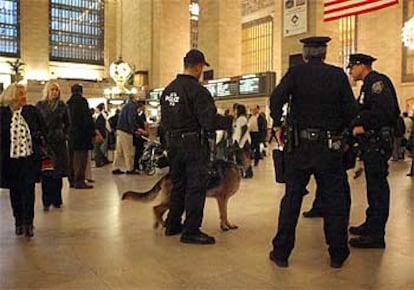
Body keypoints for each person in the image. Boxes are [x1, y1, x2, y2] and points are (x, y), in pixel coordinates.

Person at [269, 36, 358, 268]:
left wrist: (277, 122)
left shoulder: (296, 73)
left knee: (292, 199)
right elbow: (351, 110)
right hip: (329, 149)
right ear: (325, 54)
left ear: (306, 54)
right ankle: (337, 254)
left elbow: (276, 97)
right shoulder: (338, 75)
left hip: (299, 149)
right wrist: (347, 136)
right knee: (335, 201)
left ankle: (281, 253)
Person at [160, 49, 232, 245]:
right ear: (199, 67)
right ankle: (191, 230)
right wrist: (227, 121)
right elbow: (208, 121)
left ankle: (173, 223)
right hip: (193, 144)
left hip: (173, 143)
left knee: (178, 185)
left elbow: (163, 122)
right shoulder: (198, 91)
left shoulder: (168, 90)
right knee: (195, 186)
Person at [347, 53, 401, 248]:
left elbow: (384, 112)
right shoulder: (368, 84)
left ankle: (377, 235)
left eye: (352, 67)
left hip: (377, 141)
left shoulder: (377, 82)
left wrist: (363, 125)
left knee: (378, 187)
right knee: (373, 185)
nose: (351, 71)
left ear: (362, 66)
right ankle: (371, 224)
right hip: (371, 143)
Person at [0, 84, 46, 238]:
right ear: (12, 96)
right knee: (15, 192)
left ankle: (29, 223)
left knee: (29, 191)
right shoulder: (3, 114)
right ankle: (18, 220)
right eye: (21, 94)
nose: (24, 97)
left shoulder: (31, 112)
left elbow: (43, 129)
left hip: (28, 159)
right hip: (10, 161)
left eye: (25, 93)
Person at [36, 81, 71, 211]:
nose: (55, 92)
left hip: (59, 143)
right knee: (46, 173)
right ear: (47, 91)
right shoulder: (40, 106)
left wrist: (64, 135)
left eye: (57, 90)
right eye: (52, 90)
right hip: (46, 143)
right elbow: (36, 123)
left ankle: (57, 199)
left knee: (58, 174)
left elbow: (68, 124)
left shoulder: (62, 106)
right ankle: (46, 200)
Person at [67, 84, 95, 189]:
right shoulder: (83, 102)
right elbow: (87, 119)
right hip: (82, 136)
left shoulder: (68, 103)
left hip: (71, 136)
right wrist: (92, 132)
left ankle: (72, 180)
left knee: (72, 159)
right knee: (81, 159)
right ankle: (79, 181)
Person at [112, 95, 138, 174]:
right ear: (133, 98)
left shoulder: (125, 106)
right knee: (128, 150)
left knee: (119, 150)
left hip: (120, 129)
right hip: (126, 130)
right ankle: (130, 169)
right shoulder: (132, 106)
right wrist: (134, 129)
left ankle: (115, 167)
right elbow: (131, 119)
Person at [233, 104, 253, 178]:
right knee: (244, 156)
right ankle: (247, 171)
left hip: (243, 141)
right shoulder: (242, 118)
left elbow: (242, 130)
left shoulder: (241, 119)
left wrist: (238, 141)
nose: (235, 111)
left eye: (236, 109)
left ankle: (247, 172)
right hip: (244, 140)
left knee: (244, 156)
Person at [133, 102, 149, 172]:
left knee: (140, 151)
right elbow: (136, 126)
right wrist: (142, 131)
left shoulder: (141, 115)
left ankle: (138, 165)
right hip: (138, 136)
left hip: (141, 136)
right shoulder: (135, 116)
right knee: (138, 152)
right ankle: (136, 166)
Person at [94, 103, 110, 167]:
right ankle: (103, 160)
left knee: (97, 148)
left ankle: (99, 162)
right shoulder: (103, 116)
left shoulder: (100, 116)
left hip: (99, 133)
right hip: (102, 133)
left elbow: (98, 126)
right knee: (100, 148)